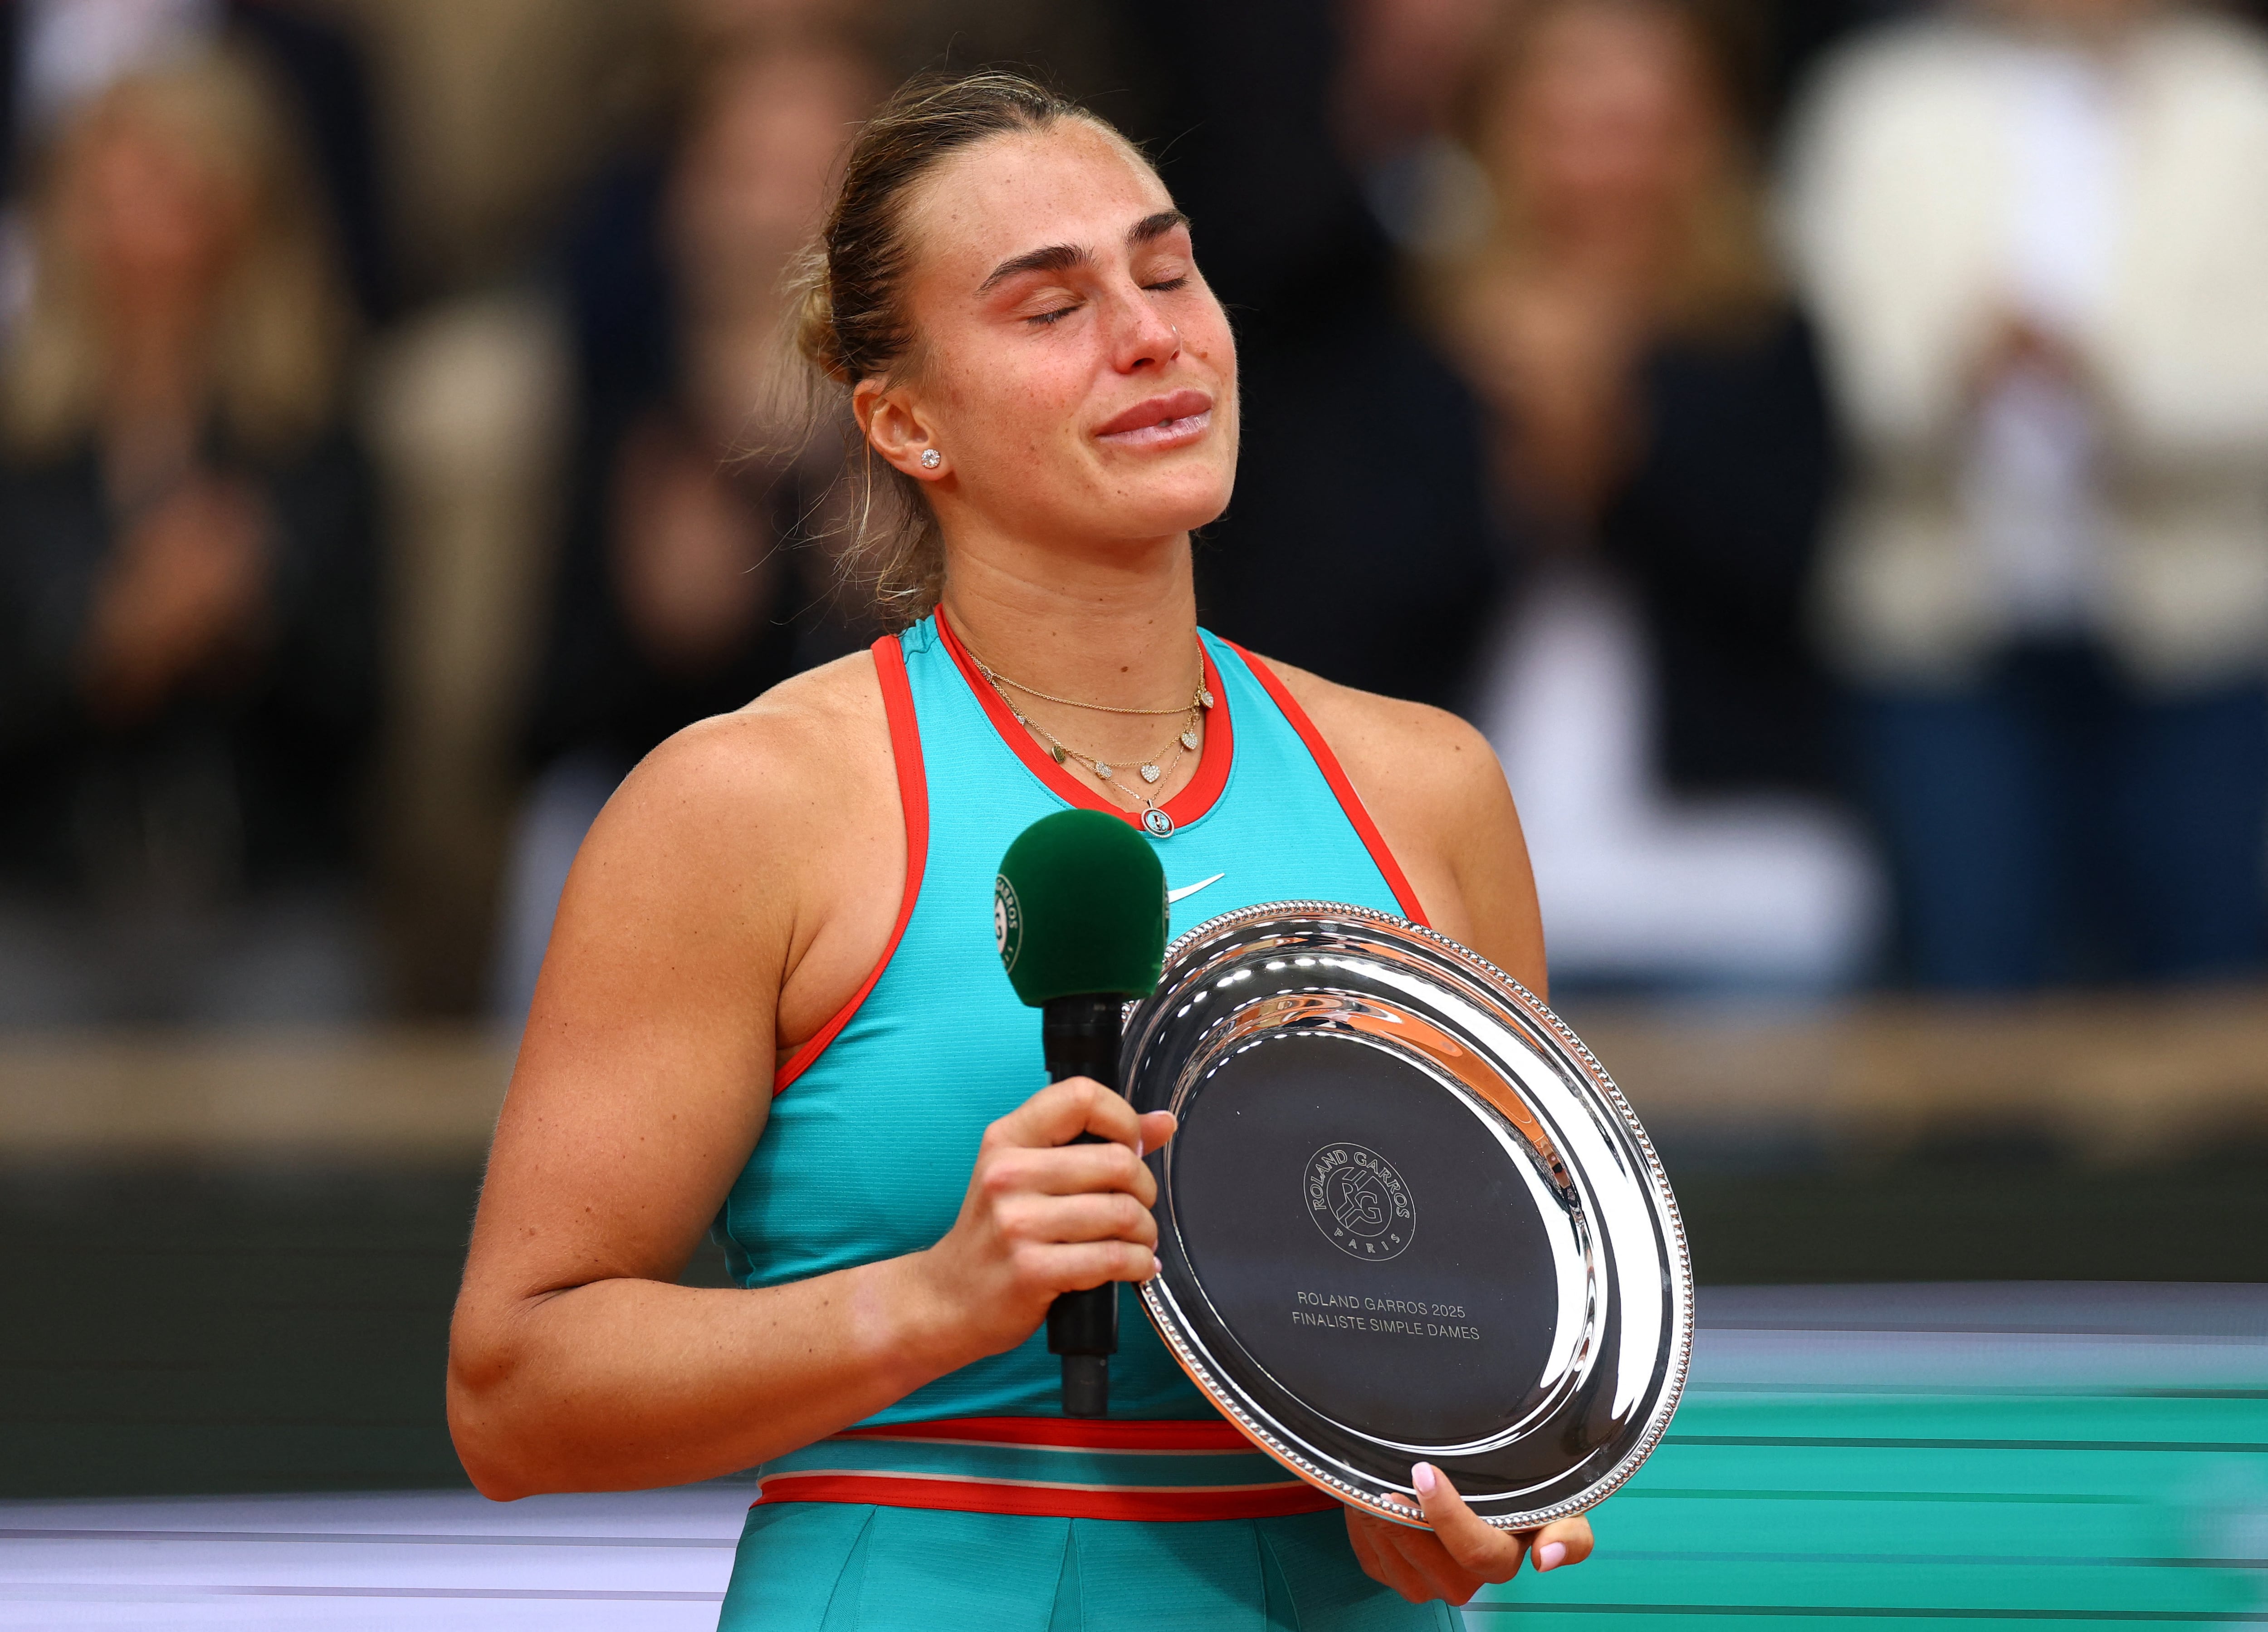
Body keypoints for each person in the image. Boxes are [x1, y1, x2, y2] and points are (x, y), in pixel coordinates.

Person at [448, 71, 1593, 1627]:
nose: (1150, 334)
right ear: (904, 421)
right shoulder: (741, 802)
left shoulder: (1434, 783)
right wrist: (930, 1302)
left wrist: (1456, 1502)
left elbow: (1500, 1334)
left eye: (1168, 270)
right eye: (1050, 307)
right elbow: (514, 1392)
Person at [1785, 0, 2268, 986]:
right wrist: (1951, 377)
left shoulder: (2241, 101)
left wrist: (2113, 383)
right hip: (1937, 629)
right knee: (1973, 979)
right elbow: (1806, 365)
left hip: (2204, 637)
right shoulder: (1879, 101)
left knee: (2208, 978)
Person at [1437, 0, 1879, 989]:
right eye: (1570, 128)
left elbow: (1783, 580)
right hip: (1464, 850)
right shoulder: (1412, 337)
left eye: (1640, 129)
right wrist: (1512, 456)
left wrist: (1612, 442)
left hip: (1734, 845)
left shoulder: (1760, 335)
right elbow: (1353, 601)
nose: (1605, 169)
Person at [494, 37, 880, 1026]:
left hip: (878, 815)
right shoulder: (627, 408)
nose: (777, 216)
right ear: (683, 201)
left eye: (816, 179)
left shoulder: (933, 421)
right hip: (644, 803)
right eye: (746, 174)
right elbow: (543, 715)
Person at [0, 47, 379, 1026]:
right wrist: (100, 650)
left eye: (173, 192)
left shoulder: (316, 433)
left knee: (306, 1146)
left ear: (244, 212)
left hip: (268, 898)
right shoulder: (22, 440)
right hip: (44, 898)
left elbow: (378, 719)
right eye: (112, 197)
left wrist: (251, 624)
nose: (139, 235)